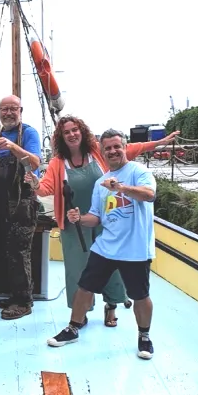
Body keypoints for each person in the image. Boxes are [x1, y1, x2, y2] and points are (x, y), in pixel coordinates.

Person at [26, 116, 178, 326]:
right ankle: (81, 313)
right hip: (75, 222)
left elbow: (132, 148)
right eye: (66, 132)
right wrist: (35, 184)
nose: (72, 134)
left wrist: (159, 142)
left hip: (107, 220)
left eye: (75, 130)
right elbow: (45, 188)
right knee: (78, 270)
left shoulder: (98, 152)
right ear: (60, 137)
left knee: (113, 267)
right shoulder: (57, 163)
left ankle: (111, 305)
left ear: (82, 132)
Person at [47, 129, 157, 359]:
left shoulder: (139, 171)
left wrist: (121, 188)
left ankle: (144, 337)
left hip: (135, 248)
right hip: (106, 246)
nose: (112, 151)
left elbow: (149, 195)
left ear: (124, 147)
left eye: (117, 146)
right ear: (102, 152)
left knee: (140, 295)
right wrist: (79, 218)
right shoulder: (100, 183)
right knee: (84, 287)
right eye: (107, 148)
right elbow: (96, 218)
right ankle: (73, 328)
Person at [0, 95, 41, 320]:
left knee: (20, 252)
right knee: (7, 251)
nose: (8, 113)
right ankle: (14, 295)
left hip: (22, 201)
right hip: (1, 202)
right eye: (4, 109)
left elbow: (35, 162)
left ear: (21, 111)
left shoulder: (29, 133)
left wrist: (12, 147)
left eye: (13, 109)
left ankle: (24, 301)